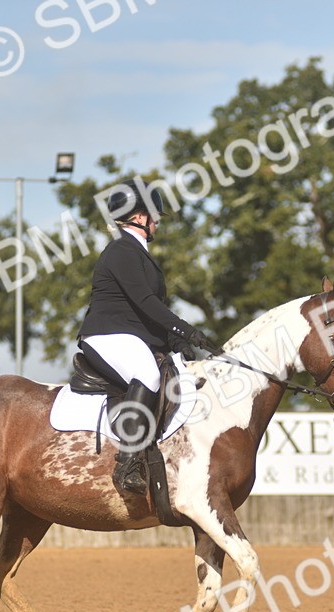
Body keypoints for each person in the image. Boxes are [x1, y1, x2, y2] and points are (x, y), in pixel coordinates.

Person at [78, 178, 212, 495]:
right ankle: (127, 463)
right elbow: (145, 303)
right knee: (148, 374)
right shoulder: (121, 251)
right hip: (106, 335)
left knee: (175, 368)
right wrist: (186, 329)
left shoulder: (137, 252)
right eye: (155, 215)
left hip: (129, 334)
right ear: (140, 217)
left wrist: (180, 344)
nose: (159, 221)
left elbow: (151, 313)